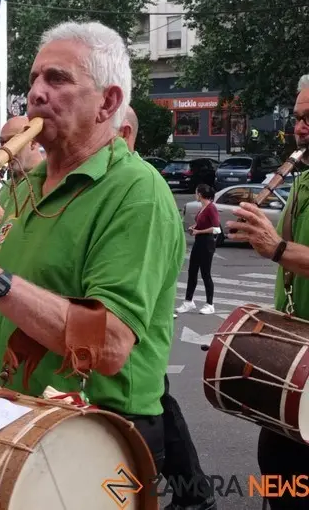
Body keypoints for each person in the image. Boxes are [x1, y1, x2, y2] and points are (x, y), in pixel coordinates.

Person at [0, 21, 184, 478]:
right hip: (15, 420)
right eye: (34, 79)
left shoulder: (138, 191)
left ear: (108, 103)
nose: (35, 93)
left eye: (57, 79)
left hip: (96, 435)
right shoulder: (25, 187)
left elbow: (109, 345)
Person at [120, 108, 217, 510]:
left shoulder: (141, 190)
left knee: (156, 412)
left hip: (133, 355)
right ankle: (195, 497)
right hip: (128, 363)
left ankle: (195, 497)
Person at [227, 74, 309, 510]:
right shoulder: (302, 179)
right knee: (276, 468)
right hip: (297, 357)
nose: (300, 128)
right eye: (298, 118)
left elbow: (286, 253)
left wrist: (276, 247)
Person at [0, 116, 46, 250]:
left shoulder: (48, 183)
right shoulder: (6, 187)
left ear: (33, 142)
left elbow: (44, 240)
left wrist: (4, 219)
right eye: (1, 143)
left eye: (11, 141)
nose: (4, 150)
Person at [176, 185, 219, 316]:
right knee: (192, 272)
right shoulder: (203, 207)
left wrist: (198, 231)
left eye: (196, 192)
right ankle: (188, 301)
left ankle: (210, 304)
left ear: (200, 194)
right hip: (198, 243)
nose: (195, 194)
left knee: (205, 274)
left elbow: (216, 229)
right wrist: (195, 227)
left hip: (207, 243)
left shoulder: (211, 208)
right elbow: (203, 223)